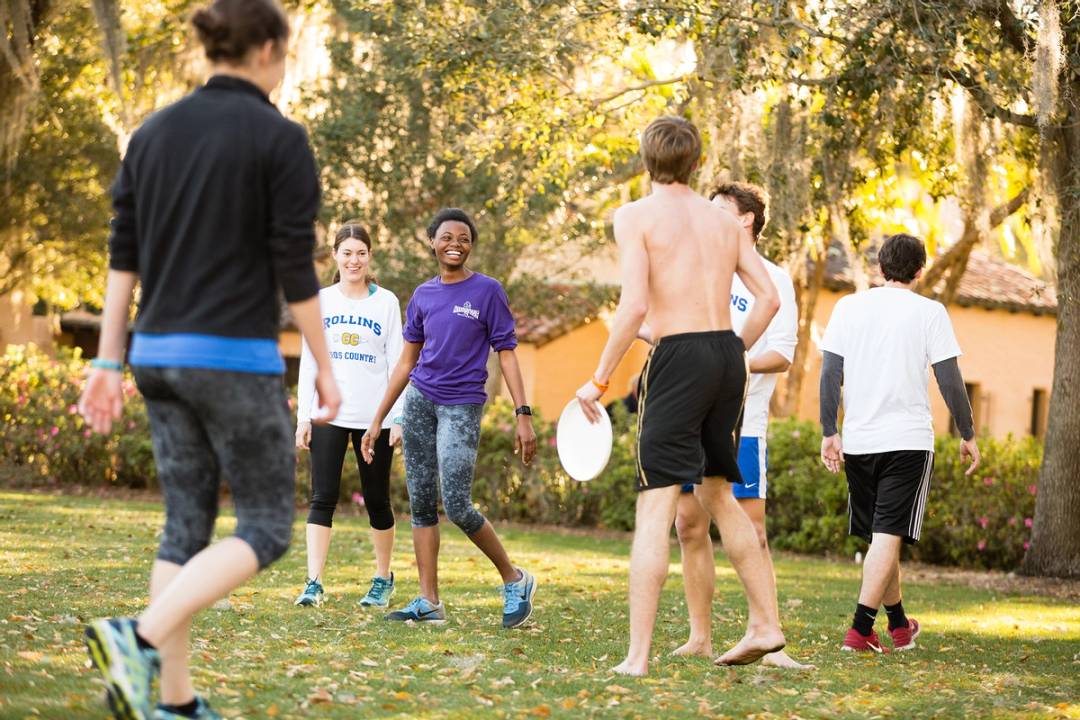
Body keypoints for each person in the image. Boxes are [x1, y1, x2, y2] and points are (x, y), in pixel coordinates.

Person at [78, 1, 341, 718]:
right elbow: (295, 265)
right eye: (285, 57)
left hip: (153, 355)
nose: (285, 70)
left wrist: (107, 363)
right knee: (265, 527)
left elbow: (121, 257)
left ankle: (175, 705)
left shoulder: (153, 134)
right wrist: (328, 366)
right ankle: (139, 637)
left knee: (186, 529)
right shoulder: (280, 138)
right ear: (264, 50)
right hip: (229, 359)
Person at [575, 116, 785, 677]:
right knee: (719, 494)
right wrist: (732, 351)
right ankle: (766, 623)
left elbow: (635, 308)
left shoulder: (635, 217)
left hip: (680, 357)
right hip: (724, 355)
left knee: (656, 506)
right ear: (696, 162)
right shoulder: (724, 223)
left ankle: (637, 658)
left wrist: (598, 379)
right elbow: (768, 299)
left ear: (646, 160)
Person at [360, 208, 540, 629]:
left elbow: (508, 354)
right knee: (421, 503)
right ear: (432, 242)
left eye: (463, 238)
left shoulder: (488, 291)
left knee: (457, 503)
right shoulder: (423, 295)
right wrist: (378, 419)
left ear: (470, 245)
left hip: (462, 404)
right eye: (446, 237)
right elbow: (406, 363)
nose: (455, 243)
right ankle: (429, 601)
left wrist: (523, 412)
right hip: (420, 400)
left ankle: (515, 580)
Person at [663, 182, 810, 669]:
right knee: (688, 524)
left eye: (719, 210)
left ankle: (769, 638)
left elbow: (783, 353)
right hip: (689, 416)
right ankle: (699, 637)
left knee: (752, 528)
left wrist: (734, 363)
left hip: (743, 421)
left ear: (746, 220)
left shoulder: (772, 278)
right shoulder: (696, 267)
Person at [819, 233, 980, 653]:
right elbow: (949, 378)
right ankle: (859, 630)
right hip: (907, 441)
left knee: (881, 535)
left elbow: (829, 372)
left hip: (859, 440)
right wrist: (967, 433)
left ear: (880, 266)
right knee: (888, 533)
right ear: (921, 271)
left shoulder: (848, 307)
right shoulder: (930, 312)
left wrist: (828, 431)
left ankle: (899, 626)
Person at [293, 222, 404, 609]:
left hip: (374, 419)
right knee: (321, 498)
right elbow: (309, 360)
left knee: (377, 500)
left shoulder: (386, 302)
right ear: (336, 255)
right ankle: (313, 583)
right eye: (347, 252)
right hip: (328, 413)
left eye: (360, 252)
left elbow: (397, 364)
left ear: (369, 256)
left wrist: (397, 419)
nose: (353, 259)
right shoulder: (321, 300)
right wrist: (303, 416)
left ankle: (382, 579)